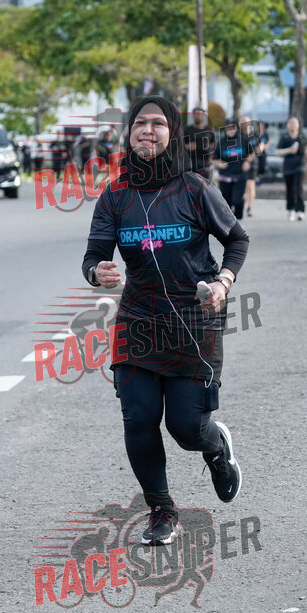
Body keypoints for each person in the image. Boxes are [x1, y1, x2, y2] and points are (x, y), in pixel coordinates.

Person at [82, 96, 249, 547]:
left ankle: (215, 447)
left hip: (194, 321)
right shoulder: (115, 196)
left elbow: (237, 239)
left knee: (186, 428)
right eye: (140, 123)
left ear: (172, 133)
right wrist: (97, 272)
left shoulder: (194, 189)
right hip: (138, 319)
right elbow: (94, 255)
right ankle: (162, 510)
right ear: (129, 132)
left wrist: (223, 282)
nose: (148, 130)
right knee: (138, 418)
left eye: (158, 123)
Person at [213, 118, 253, 221]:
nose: (230, 129)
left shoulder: (244, 140)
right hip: (225, 177)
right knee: (226, 204)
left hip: (240, 177)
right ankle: (229, 224)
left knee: (237, 201)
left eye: (233, 127)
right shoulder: (221, 142)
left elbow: (252, 153)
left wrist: (248, 162)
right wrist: (219, 164)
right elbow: (212, 159)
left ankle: (239, 221)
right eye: (228, 127)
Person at [276, 116, 307, 221]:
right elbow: (277, 152)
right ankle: (290, 209)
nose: (292, 125)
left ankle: (300, 211)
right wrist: (289, 150)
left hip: (300, 166)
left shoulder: (302, 137)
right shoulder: (284, 137)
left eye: (294, 123)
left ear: (298, 125)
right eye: (290, 123)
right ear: (287, 125)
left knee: (298, 188)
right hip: (288, 167)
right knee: (289, 189)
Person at [183, 106, 216, 181]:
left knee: (205, 187)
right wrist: (187, 146)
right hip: (190, 166)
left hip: (205, 166)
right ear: (193, 115)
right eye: (195, 114)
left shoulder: (209, 130)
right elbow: (180, 145)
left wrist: (206, 148)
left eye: (199, 114)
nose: (197, 116)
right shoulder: (187, 130)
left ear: (203, 115)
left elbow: (213, 145)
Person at [239, 115, 259, 217]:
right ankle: (242, 205)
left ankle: (249, 207)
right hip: (239, 164)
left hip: (252, 164)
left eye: (246, 121)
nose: (244, 123)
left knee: (250, 185)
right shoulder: (237, 135)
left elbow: (257, 150)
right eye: (242, 121)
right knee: (243, 186)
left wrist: (248, 161)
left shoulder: (254, 135)